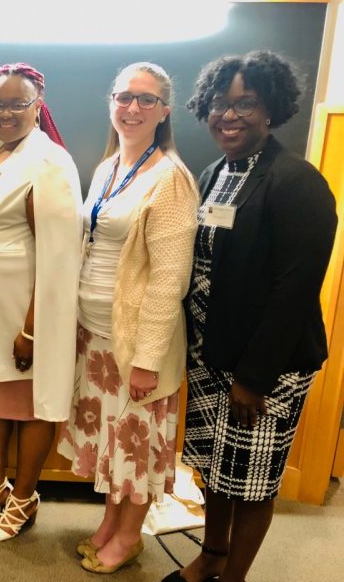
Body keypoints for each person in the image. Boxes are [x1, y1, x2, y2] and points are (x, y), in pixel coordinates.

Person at [165, 51, 337, 582]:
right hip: (210, 353)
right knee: (217, 469)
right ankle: (211, 555)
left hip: (266, 370)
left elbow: (295, 289)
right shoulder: (217, 172)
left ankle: (233, 576)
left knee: (253, 478)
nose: (230, 115)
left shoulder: (297, 181)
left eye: (246, 103)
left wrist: (253, 377)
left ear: (271, 110)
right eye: (221, 103)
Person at [57, 63, 199, 574]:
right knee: (112, 443)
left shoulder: (171, 179)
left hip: (138, 344)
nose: (132, 108)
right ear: (111, 104)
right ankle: (111, 525)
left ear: (164, 111)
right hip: (96, 334)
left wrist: (147, 360)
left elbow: (168, 280)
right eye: (124, 97)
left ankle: (129, 538)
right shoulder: (109, 166)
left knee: (136, 447)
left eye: (146, 99)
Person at [0, 62, 83, 542]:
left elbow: (58, 255)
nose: (4, 112)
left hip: (22, 313)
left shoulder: (49, 162)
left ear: (38, 104)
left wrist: (32, 328)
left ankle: (25, 496)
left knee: (29, 408)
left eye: (16, 103)